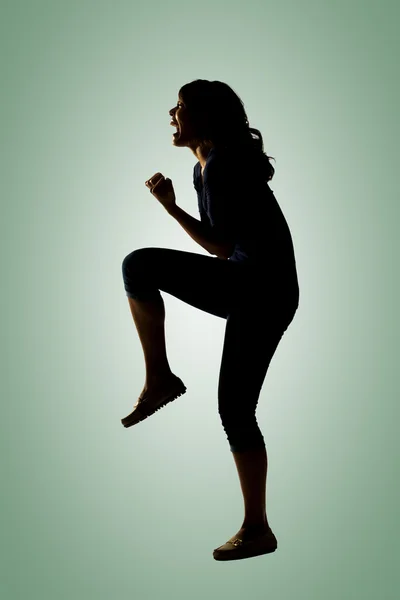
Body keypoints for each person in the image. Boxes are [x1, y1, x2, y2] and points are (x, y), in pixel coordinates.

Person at [121, 79, 300, 561]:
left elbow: (221, 248)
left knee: (138, 265)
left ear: (205, 118)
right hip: (259, 290)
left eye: (180, 107)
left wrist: (170, 207)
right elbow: (228, 249)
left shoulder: (223, 167)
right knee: (236, 411)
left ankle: (159, 378)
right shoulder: (206, 170)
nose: (171, 115)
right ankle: (258, 529)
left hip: (258, 287)